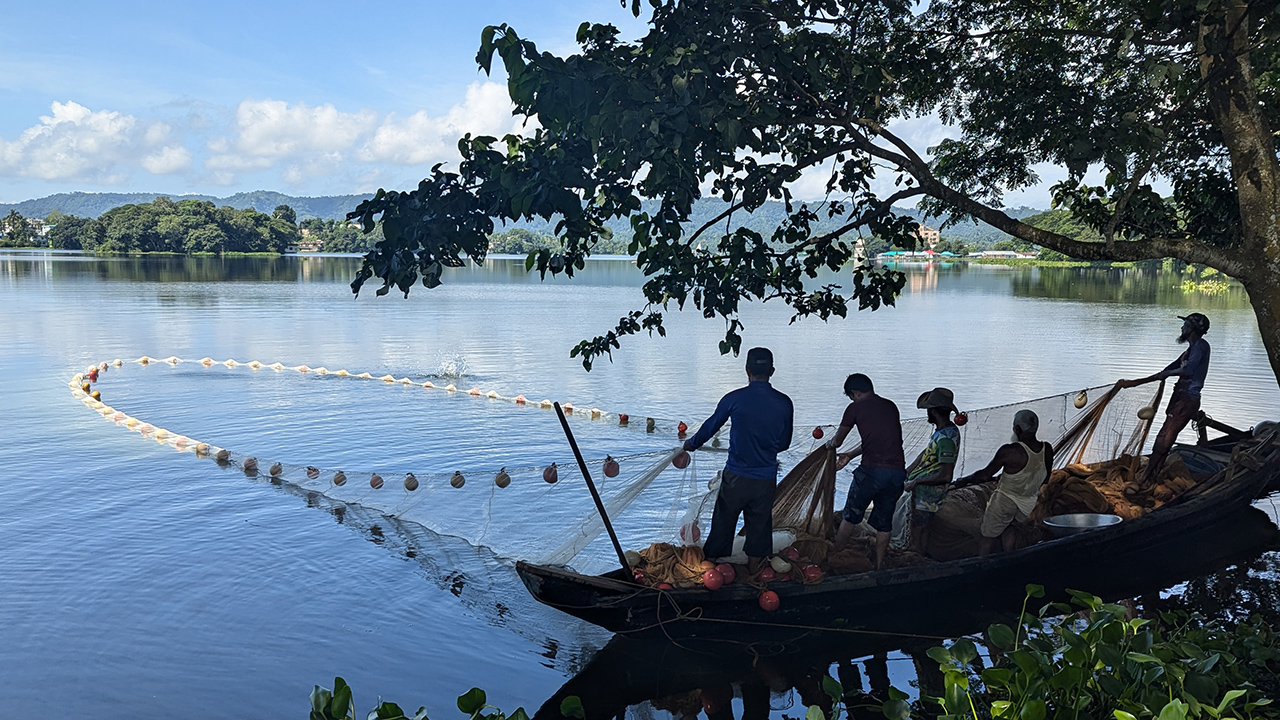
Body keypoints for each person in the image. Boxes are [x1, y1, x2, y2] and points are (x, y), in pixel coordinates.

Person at [684, 347, 794, 570]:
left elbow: (710, 426)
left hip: (736, 476)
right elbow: (784, 444)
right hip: (765, 478)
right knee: (760, 526)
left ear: (746, 370)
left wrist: (691, 444)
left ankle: (709, 569)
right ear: (772, 371)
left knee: (723, 521)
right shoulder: (784, 403)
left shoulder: (734, 399)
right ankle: (754, 573)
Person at [1117, 313, 1211, 486]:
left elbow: (1188, 371)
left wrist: (1166, 375)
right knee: (1165, 435)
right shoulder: (1190, 350)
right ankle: (1152, 475)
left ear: (1191, 329)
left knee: (1164, 437)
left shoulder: (1200, 347)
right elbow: (1168, 370)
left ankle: (1145, 477)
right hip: (1180, 397)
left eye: (1185, 325)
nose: (1182, 328)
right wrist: (1135, 383)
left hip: (1187, 400)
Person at [827, 373, 906, 570]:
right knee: (884, 523)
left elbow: (837, 441)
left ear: (855, 393)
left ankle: (835, 558)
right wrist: (850, 456)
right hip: (896, 473)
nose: (852, 400)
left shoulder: (855, 408)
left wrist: (829, 445)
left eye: (851, 396)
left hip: (871, 473)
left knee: (850, 516)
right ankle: (879, 566)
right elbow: (878, 440)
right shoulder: (890, 406)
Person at [954, 409, 1054, 555]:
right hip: (1027, 504)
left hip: (1004, 502)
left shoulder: (1010, 451)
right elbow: (1045, 478)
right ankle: (1008, 559)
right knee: (1010, 527)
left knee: (987, 538)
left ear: (1018, 429)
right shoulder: (1047, 449)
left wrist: (964, 480)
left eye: (1014, 427)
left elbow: (984, 475)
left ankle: (983, 568)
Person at [903, 388, 960, 554]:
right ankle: (919, 557)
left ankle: (916, 560)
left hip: (928, 495)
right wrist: (909, 470)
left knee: (919, 531)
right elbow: (927, 452)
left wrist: (916, 482)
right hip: (923, 492)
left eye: (929, 409)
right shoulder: (944, 431)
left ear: (933, 411)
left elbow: (945, 475)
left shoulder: (946, 439)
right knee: (921, 530)